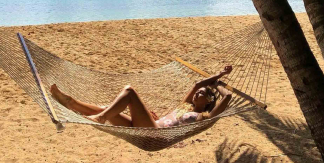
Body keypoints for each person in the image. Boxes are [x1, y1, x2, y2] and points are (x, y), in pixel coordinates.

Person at [50, 65, 233, 128]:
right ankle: (71, 103)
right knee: (109, 108)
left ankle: (100, 118)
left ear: (209, 100)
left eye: (202, 94)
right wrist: (219, 75)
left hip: (153, 134)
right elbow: (197, 84)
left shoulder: (203, 117)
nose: (197, 94)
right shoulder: (186, 106)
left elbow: (227, 98)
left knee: (129, 92)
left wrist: (218, 87)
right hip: (148, 126)